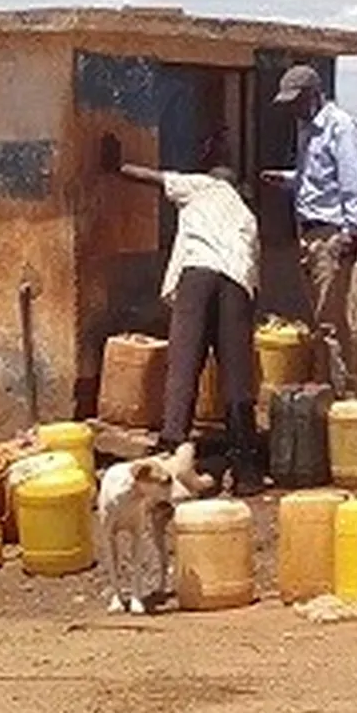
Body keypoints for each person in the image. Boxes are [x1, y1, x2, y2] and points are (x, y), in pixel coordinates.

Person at [102, 139, 262, 495]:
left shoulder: (203, 186)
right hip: (237, 282)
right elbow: (254, 276)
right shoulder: (247, 215)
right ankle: (246, 470)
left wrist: (118, 167)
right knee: (237, 378)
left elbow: (155, 178)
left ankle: (171, 455)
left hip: (198, 275)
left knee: (184, 365)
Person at [261, 65, 357, 398]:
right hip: (309, 234)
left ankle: (344, 395)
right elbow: (317, 177)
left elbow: (355, 182)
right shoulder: (307, 128)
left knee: (332, 321)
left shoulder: (339, 127)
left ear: (314, 94)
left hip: (330, 234)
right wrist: (287, 179)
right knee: (322, 319)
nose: (293, 108)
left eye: (297, 101)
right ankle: (330, 388)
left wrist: (350, 233)